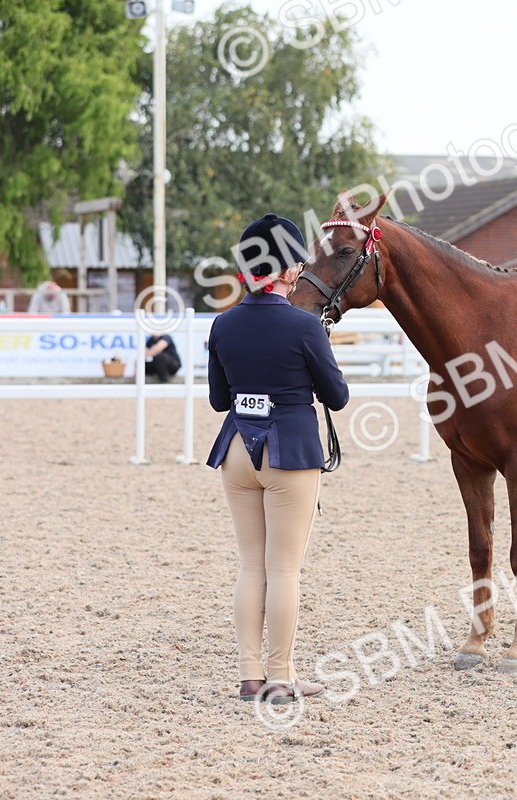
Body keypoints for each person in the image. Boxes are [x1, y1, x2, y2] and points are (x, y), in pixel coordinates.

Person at [206, 213, 350, 703]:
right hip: (289, 452)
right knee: (284, 569)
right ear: (287, 271)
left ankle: (250, 676)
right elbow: (337, 396)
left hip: (237, 453)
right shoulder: (305, 326)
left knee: (251, 566)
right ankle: (282, 677)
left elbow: (219, 400)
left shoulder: (223, 324)